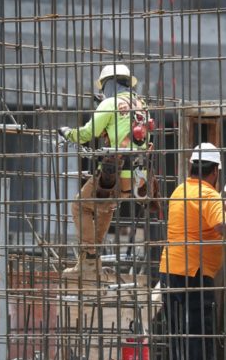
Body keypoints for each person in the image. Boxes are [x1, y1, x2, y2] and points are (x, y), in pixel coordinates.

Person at [159, 142, 226, 360]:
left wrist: (222, 206)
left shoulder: (179, 191)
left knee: (175, 331)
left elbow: (197, 216)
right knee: (200, 332)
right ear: (215, 172)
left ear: (191, 166)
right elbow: (221, 226)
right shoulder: (209, 194)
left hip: (169, 269)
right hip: (195, 274)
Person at [58, 63, 155, 280]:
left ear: (107, 84)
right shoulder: (142, 104)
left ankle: (90, 261)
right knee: (104, 208)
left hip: (114, 173)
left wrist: (67, 133)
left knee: (80, 206)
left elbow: (85, 134)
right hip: (137, 176)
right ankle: (91, 262)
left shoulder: (110, 103)